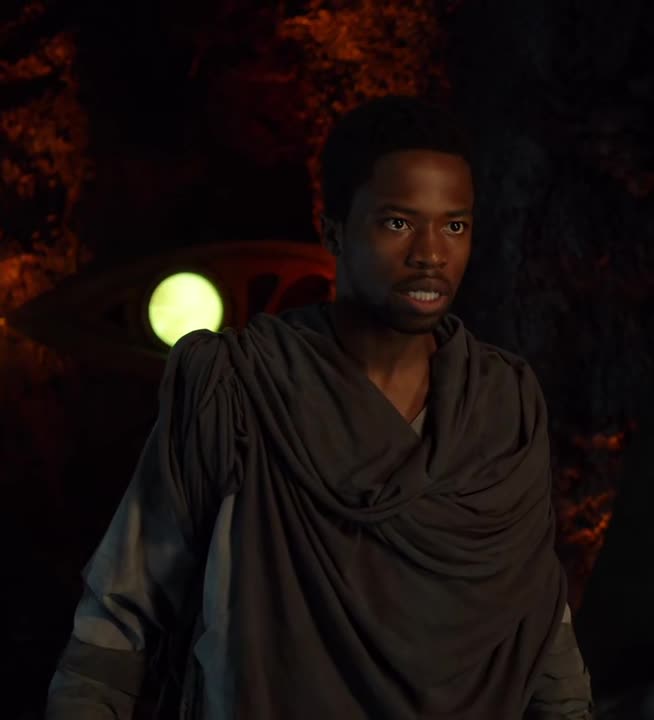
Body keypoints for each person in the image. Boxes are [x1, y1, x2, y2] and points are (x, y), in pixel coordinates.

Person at [45, 96, 594, 719]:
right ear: (333, 231)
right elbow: (117, 620)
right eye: (398, 223)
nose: (431, 253)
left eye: (455, 226)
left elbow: (541, 626)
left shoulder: (501, 408)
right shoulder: (242, 387)